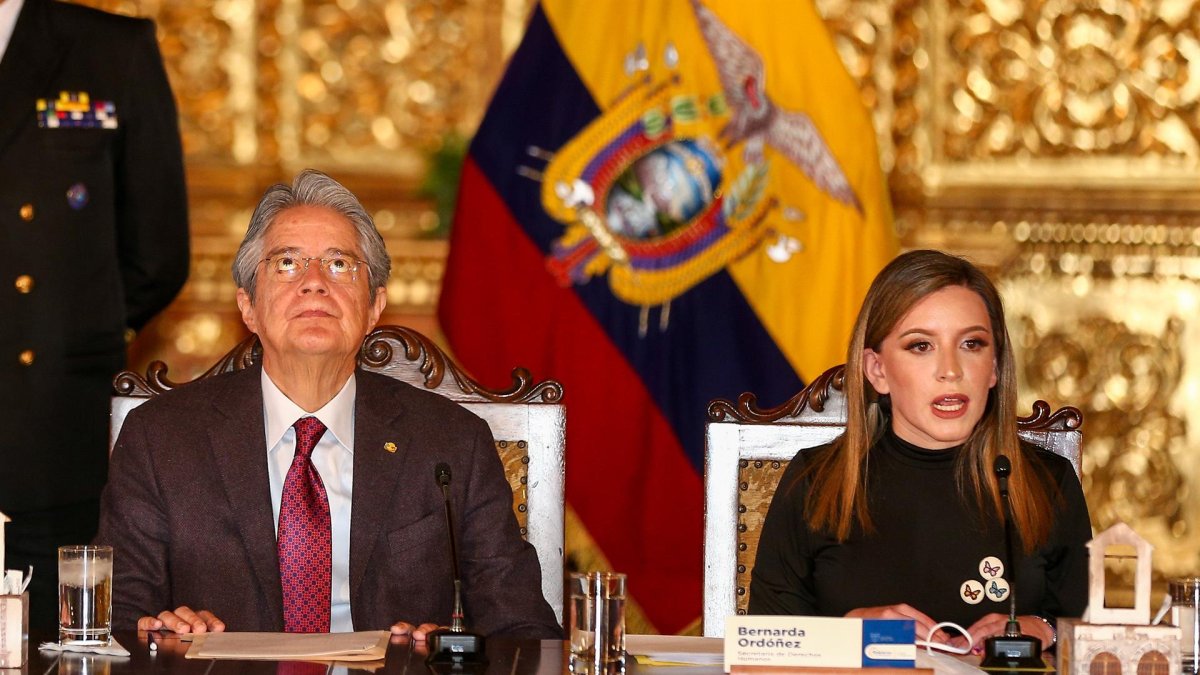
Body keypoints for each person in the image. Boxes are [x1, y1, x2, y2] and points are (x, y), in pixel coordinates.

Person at [95, 170, 561, 639]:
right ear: (247, 306)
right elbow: (111, 619)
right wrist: (157, 630)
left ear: (375, 305)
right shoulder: (161, 438)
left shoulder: (453, 442)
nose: (314, 282)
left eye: (339, 264)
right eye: (286, 263)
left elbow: (524, 627)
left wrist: (449, 653)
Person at [748, 249, 1090, 651]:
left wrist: (1045, 631)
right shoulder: (815, 480)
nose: (951, 369)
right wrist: (847, 635)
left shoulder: (1046, 481)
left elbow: (1093, 629)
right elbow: (763, 645)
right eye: (921, 346)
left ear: (994, 366)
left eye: (971, 343)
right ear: (877, 370)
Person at [0, 0, 189, 632]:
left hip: (47, 429)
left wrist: (70, 335)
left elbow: (158, 253)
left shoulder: (109, 48)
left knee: (52, 643)